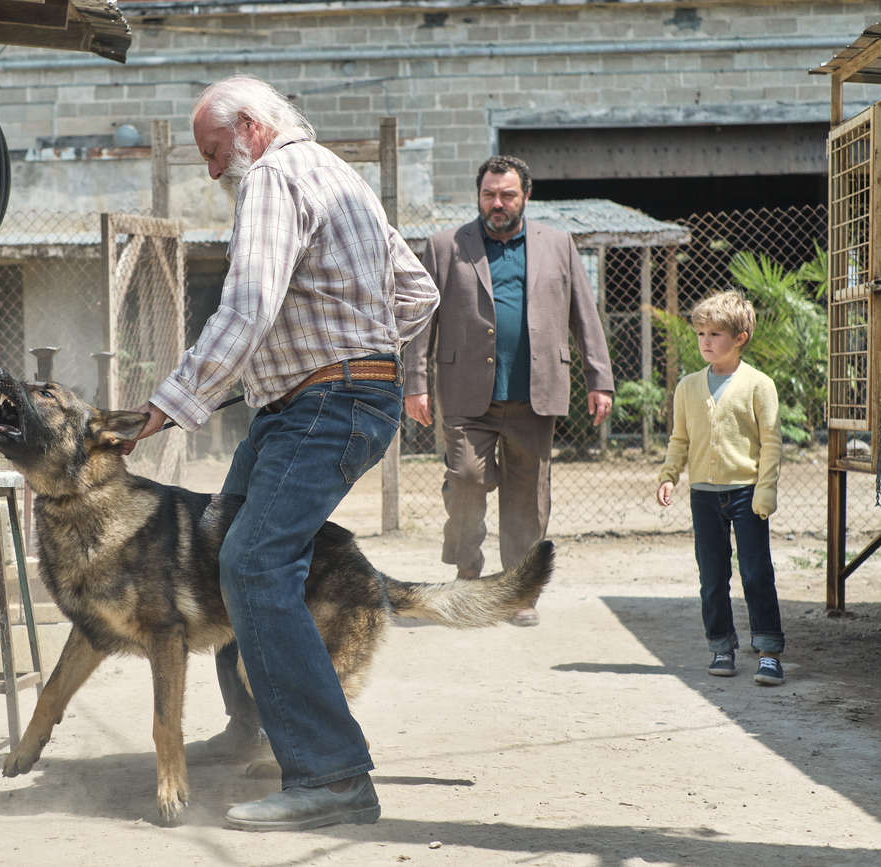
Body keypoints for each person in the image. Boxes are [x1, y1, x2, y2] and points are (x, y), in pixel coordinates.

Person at [126, 75, 439, 831]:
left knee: (253, 563)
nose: (211, 170)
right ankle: (253, 731)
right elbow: (418, 292)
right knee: (219, 547)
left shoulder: (271, 176)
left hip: (323, 405)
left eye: (212, 152)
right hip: (322, 401)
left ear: (251, 129)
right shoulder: (341, 175)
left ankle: (331, 774)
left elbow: (248, 303)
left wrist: (170, 404)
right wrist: (350, 341)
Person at [401, 155, 614, 626]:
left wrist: (599, 380)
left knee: (527, 496)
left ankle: (520, 593)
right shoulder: (444, 247)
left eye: (507, 195)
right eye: (489, 195)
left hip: (534, 393)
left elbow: (585, 316)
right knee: (466, 481)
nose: (497, 204)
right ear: (479, 196)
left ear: (525, 197)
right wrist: (414, 385)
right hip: (465, 394)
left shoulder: (558, 245)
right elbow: (420, 325)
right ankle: (467, 569)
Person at [656, 291, 786, 685]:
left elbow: (772, 442)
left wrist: (765, 491)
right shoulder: (687, 387)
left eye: (715, 333)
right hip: (704, 495)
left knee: (755, 572)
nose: (706, 341)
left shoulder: (758, 385)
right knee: (712, 575)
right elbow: (680, 439)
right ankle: (721, 647)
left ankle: (768, 651)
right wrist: (668, 474)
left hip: (747, 494)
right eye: (700, 333)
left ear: (741, 337)